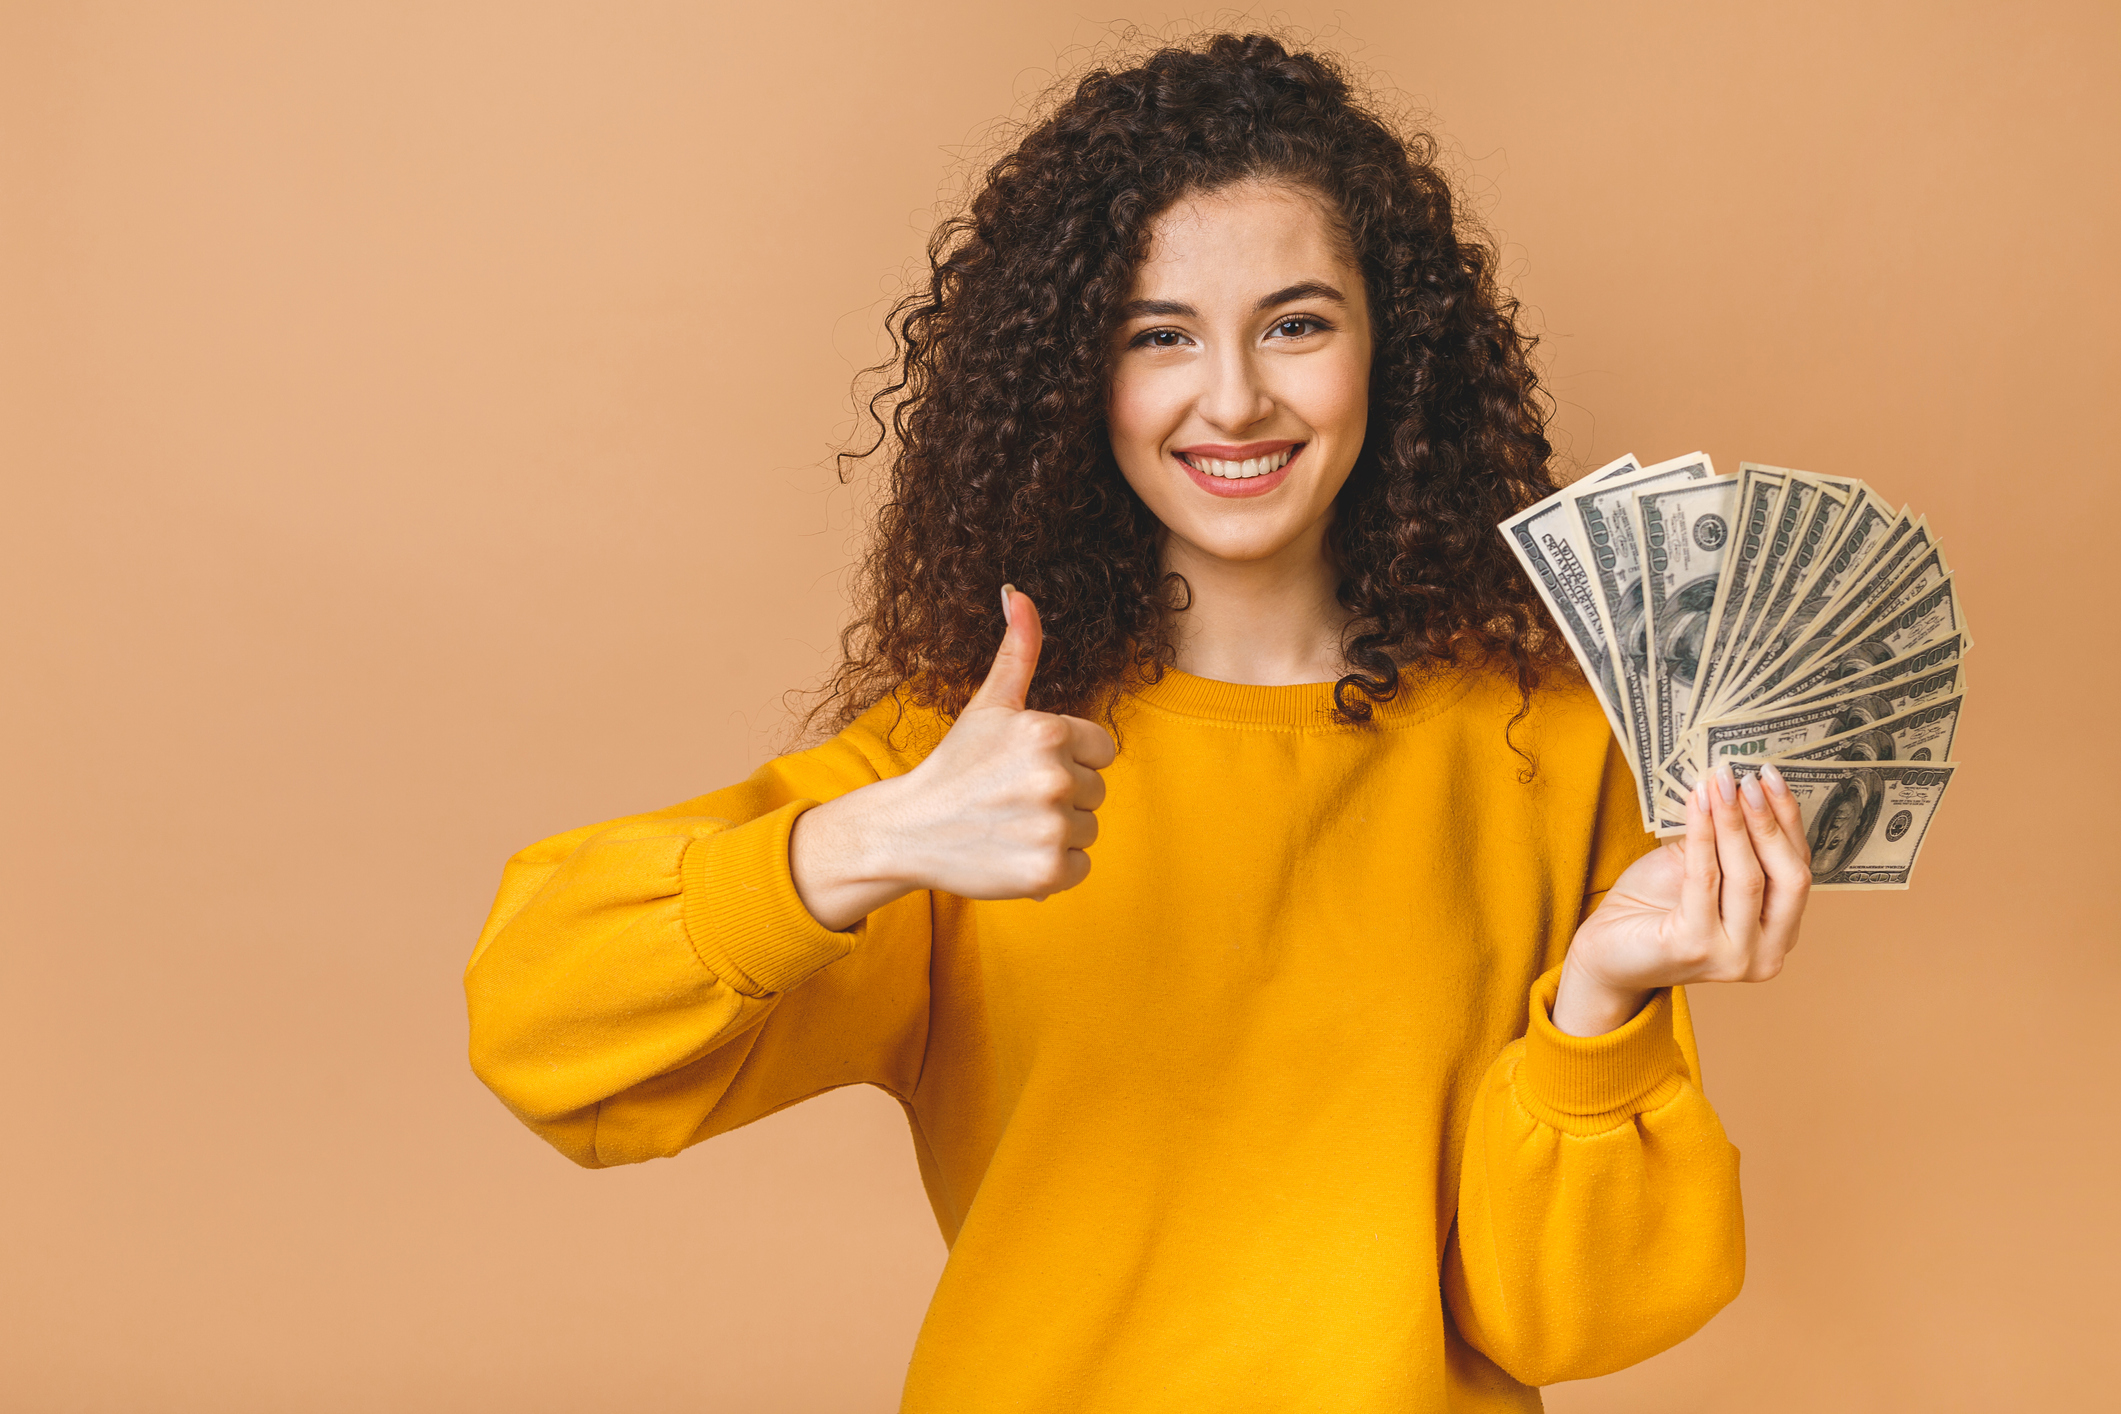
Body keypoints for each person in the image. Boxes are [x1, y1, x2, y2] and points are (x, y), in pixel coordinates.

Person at [463, 33, 1813, 1412]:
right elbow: (537, 1029)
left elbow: (1562, 1322)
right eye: (1156, 335)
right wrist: (861, 843)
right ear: (1071, 380)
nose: (1231, 397)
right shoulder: (970, 765)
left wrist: (1602, 1006)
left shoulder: (1552, 741)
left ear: (1388, 348)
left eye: (1295, 322)